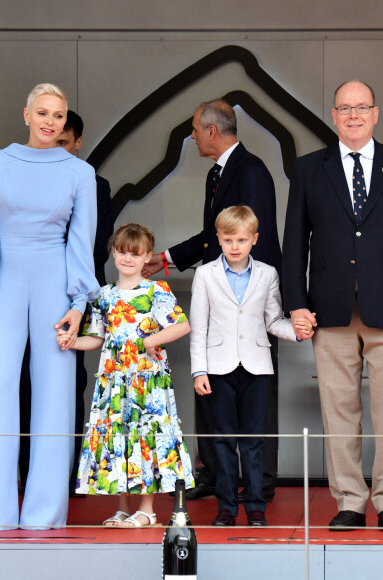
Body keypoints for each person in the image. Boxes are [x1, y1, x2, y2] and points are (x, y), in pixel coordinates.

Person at [282, 80, 383, 531]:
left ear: (376, 113)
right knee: (338, 409)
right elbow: (295, 244)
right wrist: (295, 303)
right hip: (328, 308)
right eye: (345, 108)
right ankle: (349, 499)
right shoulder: (309, 169)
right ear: (333, 115)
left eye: (362, 107)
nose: (353, 115)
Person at [0, 83, 99, 530]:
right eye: (42, 113)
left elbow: (82, 243)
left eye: (58, 116)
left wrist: (79, 304)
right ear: (26, 114)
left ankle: (44, 514)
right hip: (3, 285)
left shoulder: (81, 172)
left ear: (65, 122)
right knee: (0, 390)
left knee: (56, 395)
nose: (50, 122)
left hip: (56, 285)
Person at [142, 99, 281, 501]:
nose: (191, 136)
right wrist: (167, 259)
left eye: (194, 129)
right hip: (219, 298)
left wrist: (260, 301)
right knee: (212, 388)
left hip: (250, 304)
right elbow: (212, 236)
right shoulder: (219, 173)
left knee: (257, 396)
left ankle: (261, 481)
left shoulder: (250, 171)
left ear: (211, 132)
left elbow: (258, 238)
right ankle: (217, 476)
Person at [60, 223, 194, 528]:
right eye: (122, 252)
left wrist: (149, 341)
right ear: (113, 252)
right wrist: (71, 341)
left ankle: (146, 510)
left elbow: (181, 325)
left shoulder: (156, 290)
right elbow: (96, 338)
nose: (128, 259)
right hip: (113, 381)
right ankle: (123, 507)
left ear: (147, 256)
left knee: (145, 438)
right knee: (119, 439)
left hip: (147, 380)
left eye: (135, 254)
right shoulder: (103, 294)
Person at [18, 109, 114, 497]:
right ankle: (28, 468)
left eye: (63, 140)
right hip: (29, 294)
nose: (54, 145)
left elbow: (94, 245)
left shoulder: (94, 183)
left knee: (71, 381)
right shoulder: (21, 176)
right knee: (28, 380)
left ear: (76, 143)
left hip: (78, 294)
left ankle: (71, 470)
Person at [190, 206, 305, 527]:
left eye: (241, 239)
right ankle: (226, 507)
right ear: (218, 240)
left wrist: (297, 331)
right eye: (228, 240)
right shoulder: (205, 274)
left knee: (254, 441)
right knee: (223, 440)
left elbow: (273, 321)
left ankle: (255, 506)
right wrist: (199, 370)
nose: (235, 246)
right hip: (218, 368)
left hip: (257, 368)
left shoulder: (268, 274)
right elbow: (199, 326)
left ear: (254, 239)